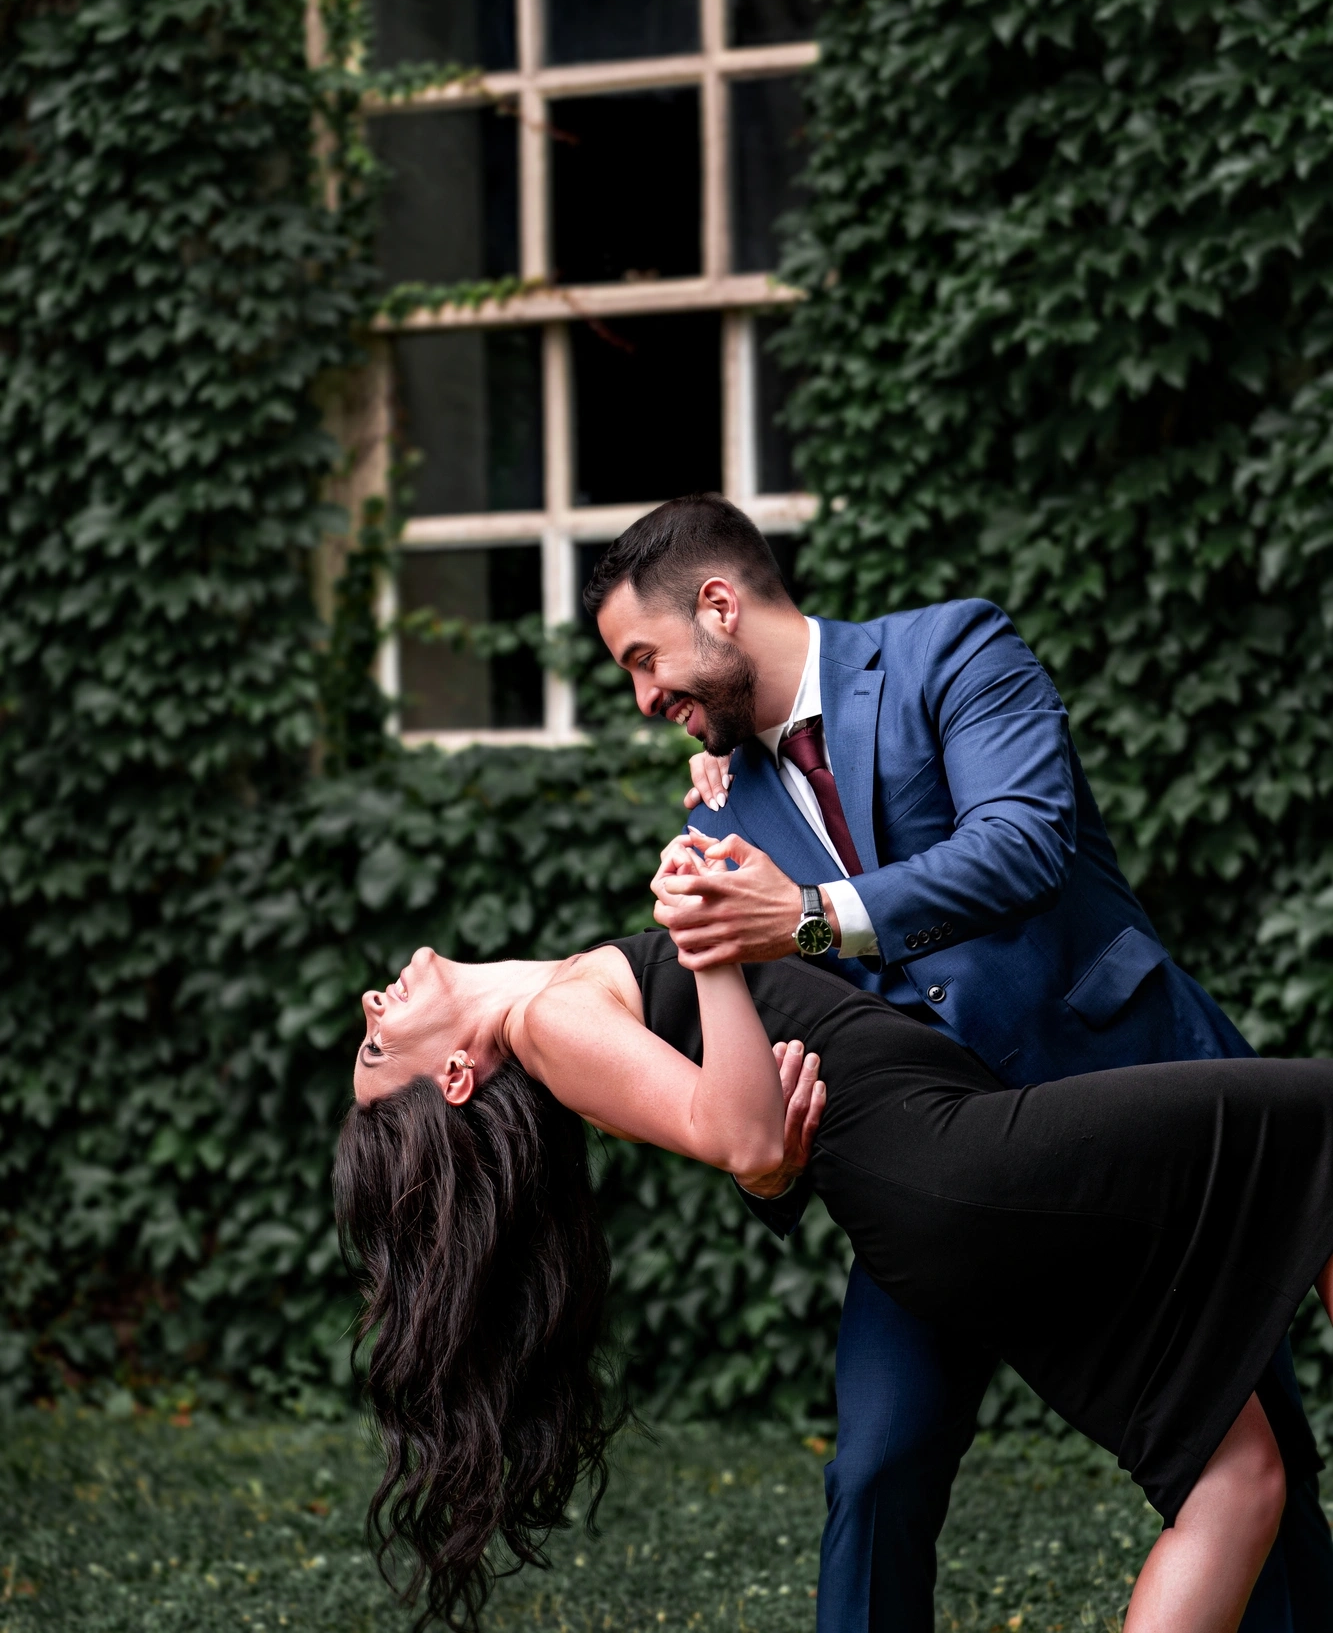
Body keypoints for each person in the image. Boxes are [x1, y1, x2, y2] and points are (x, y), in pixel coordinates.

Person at [581, 493, 1333, 1633]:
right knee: (874, 1468)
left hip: (1131, 1101)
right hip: (936, 1181)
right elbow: (775, 1038)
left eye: (645, 659)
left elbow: (1022, 841)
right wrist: (767, 1168)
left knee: (1253, 1457)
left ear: (719, 605)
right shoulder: (721, 818)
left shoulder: (951, 649)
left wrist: (811, 916)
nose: (645, 700)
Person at [337, 926, 1333, 1633]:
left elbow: (750, 1133)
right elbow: (744, 1138)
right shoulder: (550, 1021)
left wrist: (720, 841)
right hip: (956, 1169)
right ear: (454, 1077)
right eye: (378, 1046)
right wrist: (710, 946)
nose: (372, 1005)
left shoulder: (563, 1009)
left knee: (1237, 1483)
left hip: (944, 1202)